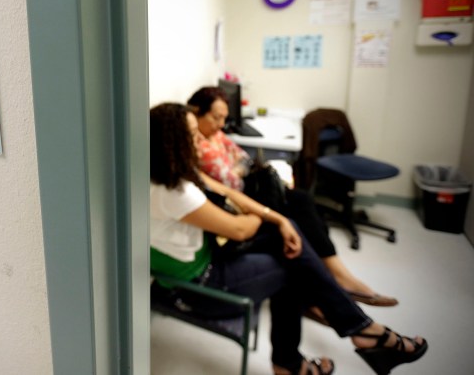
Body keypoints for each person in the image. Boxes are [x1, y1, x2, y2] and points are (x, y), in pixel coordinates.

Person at [149, 103, 427, 375]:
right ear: (171, 142)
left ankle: (352, 329)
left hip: (207, 254)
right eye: (192, 135)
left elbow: (226, 191)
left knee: (290, 229)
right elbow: (239, 230)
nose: (200, 139)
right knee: (292, 270)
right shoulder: (173, 191)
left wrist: (278, 218)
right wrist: (271, 213)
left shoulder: (175, 170)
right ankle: (316, 350)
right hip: (197, 287)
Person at [187, 86, 397, 307]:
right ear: (197, 112)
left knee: (303, 201)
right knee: (297, 218)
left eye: (223, 118)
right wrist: (237, 168)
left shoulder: (216, 135)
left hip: (248, 192)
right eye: (215, 118)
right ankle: (334, 281)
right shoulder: (197, 145)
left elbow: (243, 159)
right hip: (237, 203)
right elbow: (231, 181)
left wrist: (237, 168)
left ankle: (334, 274)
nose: (221, 124)